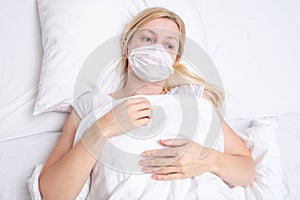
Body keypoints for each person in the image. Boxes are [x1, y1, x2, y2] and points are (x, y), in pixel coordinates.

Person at [38, 7, 255, 199]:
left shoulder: (195, 98)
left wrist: (210, 160)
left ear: (176, 60)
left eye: (169, 45)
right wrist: (103, 128)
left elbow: (246, 172)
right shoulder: (91, 106)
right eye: (148, 39)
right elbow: (53, 194)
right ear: (127, 48)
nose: (158, 50)